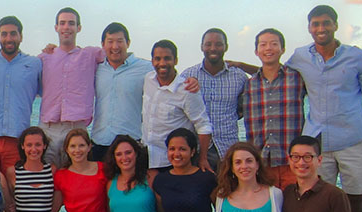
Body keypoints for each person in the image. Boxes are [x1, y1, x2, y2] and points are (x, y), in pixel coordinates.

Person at [286, 6, 362, 212]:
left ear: (336, 25)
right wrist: (242, 66)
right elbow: (278, 74)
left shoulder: (358, 58)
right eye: (316, 24)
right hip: (319, 147)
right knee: (320, 205)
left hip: (353, 140)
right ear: (309, 28)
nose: (321, 29)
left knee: (356, 204)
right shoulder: (300, 57)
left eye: (326, 23)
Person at [0, 16, 41, 179]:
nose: (9, 38)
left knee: (16, 189)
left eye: (13, 34)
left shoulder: (35, 64)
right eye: (4, 34)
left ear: (21, 36)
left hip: (18, 138)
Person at [37, 8, 104, 167]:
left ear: (79, 28)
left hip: (77, 129)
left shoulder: (91, 55)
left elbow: (117, 54)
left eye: (71, 23)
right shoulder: (44, 58)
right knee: (47, 177)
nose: (66, 27)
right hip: (48, 129)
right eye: (62, 23)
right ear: (56, 27)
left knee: (76, 176)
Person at [240, 28, 305, 190]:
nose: (268, 48)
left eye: (274, 44)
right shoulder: (249, 85)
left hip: (292, 161)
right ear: (256, 51)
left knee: (295, 210)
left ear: (282, 49)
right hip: (261, 162)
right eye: (263, 45)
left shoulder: (297, 78)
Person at [180, 28, 250, 170]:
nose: (213, 48)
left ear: (226, 47)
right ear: (201, 46)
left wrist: (243, 65)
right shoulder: (188, 76)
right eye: (208, 44)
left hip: (228, 148)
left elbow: (264, 78)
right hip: (196, 150)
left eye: (218, 44)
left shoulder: (239, 76)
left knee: (229, 191)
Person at [141, 40, 213, 172]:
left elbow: (203, 126)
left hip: (173, 161)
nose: (162, 63)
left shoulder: (187, 90)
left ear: (176, 60)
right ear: (152, 61)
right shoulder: (148, 79)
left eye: (167, 58)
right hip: (146, 156)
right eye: (157, 59)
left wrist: (202, 158)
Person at [87, 22, 154, 161]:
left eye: (120, 41)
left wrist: (190, 81)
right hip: (99, 143)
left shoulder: (146, 68)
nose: (115, 47)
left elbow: (167, 80)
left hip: (130, 145)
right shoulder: (96, 68)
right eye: (110, 42)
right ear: (103, 44)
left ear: (128, 43)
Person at [278, 136, 351, 212]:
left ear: (320, 160)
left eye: (308, 157)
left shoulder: (334, 195)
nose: (301, 162)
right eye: (295, 157)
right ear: (289, 160)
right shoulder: (286, 193)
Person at [151, 128, 219, 212]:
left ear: (192, 151)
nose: (176, 153)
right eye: (172, 149)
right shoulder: (161, 181)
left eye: (182, 149)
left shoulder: (206, 179)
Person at [103, 135, 162, 212]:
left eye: (128, 152)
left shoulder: (152, 177)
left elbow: (162, 211)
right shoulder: (110, 184)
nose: (124, 158)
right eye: (119, 154)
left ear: (136, 154)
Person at [5, 126, 59, 212]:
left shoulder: (52, 171)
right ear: (22, 146)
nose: (33, 149)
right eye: (29, 145)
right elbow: (11, 204)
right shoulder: (13, 172)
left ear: (44, 146)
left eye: (38, 145)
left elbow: (57, 204)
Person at [53, 128, 108, 212]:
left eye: (81, 145)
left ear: (89, 147)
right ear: (66, 149)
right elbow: (53, 210)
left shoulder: (103, 169)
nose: (77, 150)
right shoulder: (61, 175)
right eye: (73, 146)